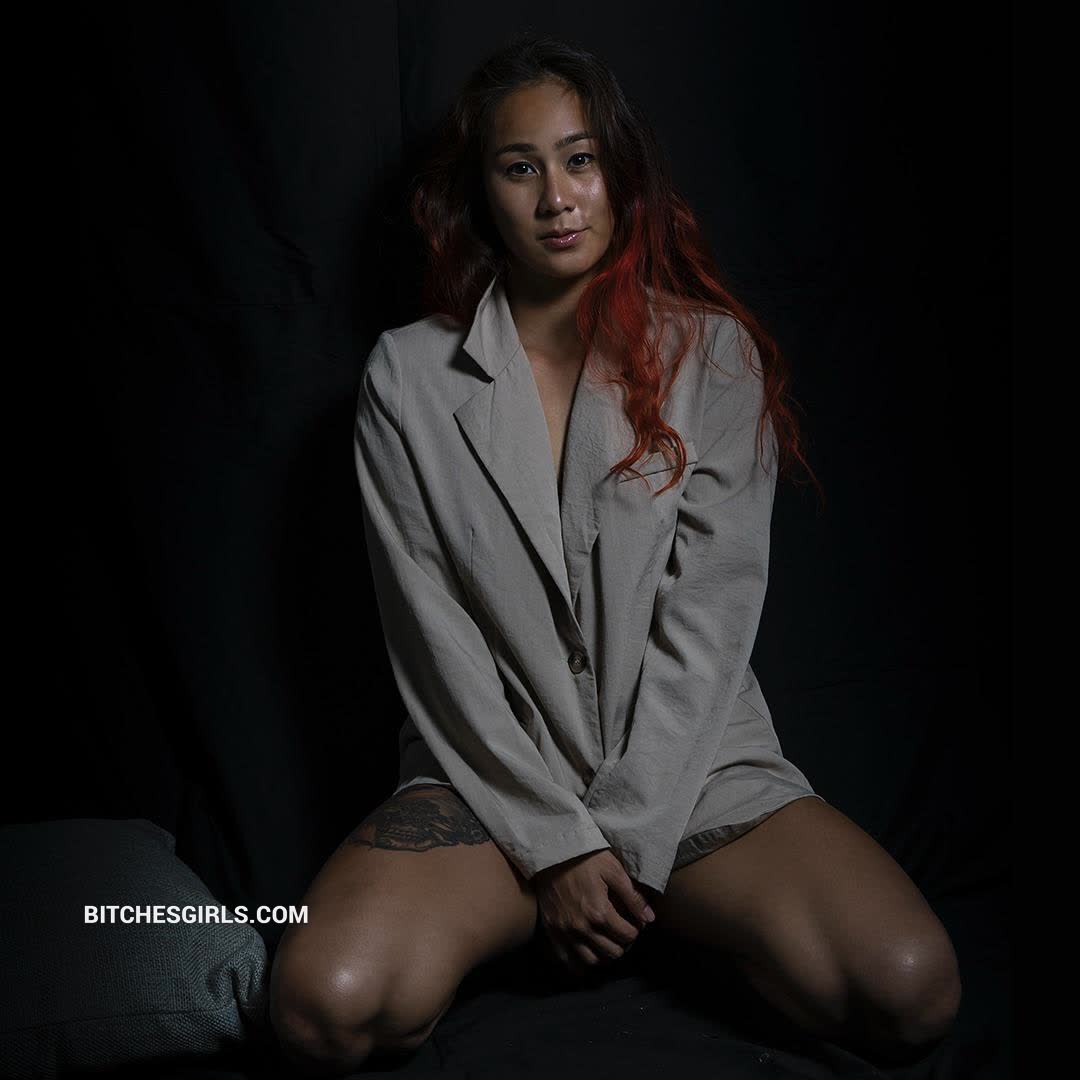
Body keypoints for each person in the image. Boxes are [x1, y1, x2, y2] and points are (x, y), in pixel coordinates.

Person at [269, 32, 961, 1075]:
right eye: (520, 168)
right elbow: (433, 641)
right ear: (480, 193)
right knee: (328, 1006)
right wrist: (555, 849)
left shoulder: (711, 355)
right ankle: (585, 906)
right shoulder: (406, 378)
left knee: (909, 991)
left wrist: (627, 847)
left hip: (694, 767)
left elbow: (710, 623)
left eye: (580, 159)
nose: (557, 197)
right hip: (491, 778)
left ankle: (677, 913)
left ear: (618, 174)